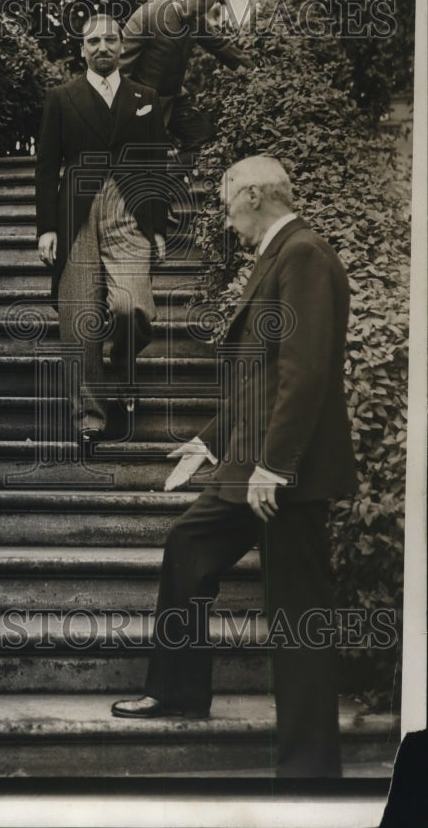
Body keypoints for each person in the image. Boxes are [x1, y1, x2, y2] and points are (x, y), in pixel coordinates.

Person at [112, 156, 357, 779]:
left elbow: (304, 373)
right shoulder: (281, 255)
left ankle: (309, 771)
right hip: (249, 464)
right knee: (189, 547)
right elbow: (263, 376)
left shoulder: (303, 255)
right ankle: (179, 692)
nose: (225, 219)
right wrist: (210, 442)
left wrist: (275, 465)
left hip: (281, 476)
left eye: (226, 205)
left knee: (300, 615)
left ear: (252, 196)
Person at [35, 14, 170, 448]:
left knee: (133, 309)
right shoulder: (61, 97)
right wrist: (47, 228)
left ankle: (123, 358)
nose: (103, 47)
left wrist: (159, 226)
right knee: (79, 317)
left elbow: (156, 165)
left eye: (111, 39)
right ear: (82, 50)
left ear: (122, 45)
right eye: (93, 41)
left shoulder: (143, 96)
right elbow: (45, 165)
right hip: (76, 207)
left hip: (128, 210)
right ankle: (89, 417)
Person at [120, 0, 255, 164]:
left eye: (200, 14)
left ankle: (171, 177)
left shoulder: (196, 16)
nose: (196, 18)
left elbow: (221, 46)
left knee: (204, 139)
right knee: (146, 162)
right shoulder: (147, 17)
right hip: (143, 103)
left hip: (174, 97)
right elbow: (120, 70)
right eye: (194, 13)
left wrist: (254, 72)